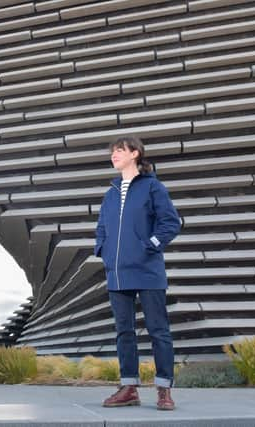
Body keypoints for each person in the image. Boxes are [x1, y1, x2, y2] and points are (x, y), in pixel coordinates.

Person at [95, 136, 180, 411]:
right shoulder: (110, 193)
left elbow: (170, 222)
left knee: (158, 331)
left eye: (119, 150)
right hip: (117, 272)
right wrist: (103, 250)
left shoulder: (152, 187)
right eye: (112, 152)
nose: (114, 155)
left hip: (147, 269)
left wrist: (151, 245)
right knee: (124, 332)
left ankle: (164, 390)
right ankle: (129, 388)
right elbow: (102, 228)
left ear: (135, 153)